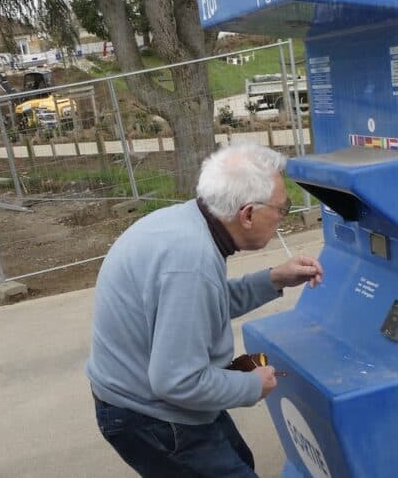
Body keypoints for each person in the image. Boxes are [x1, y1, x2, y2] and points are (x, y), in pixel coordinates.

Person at [86, 141, 324, 477]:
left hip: (143, 397)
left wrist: (274, 279)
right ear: (247, 214)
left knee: (240, 459)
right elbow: (178, 381)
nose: (282, 218)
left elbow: (202, 306)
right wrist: (252, 385)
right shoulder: (191, 261)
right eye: (282, 210)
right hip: (149, 415)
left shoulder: (187, 222)